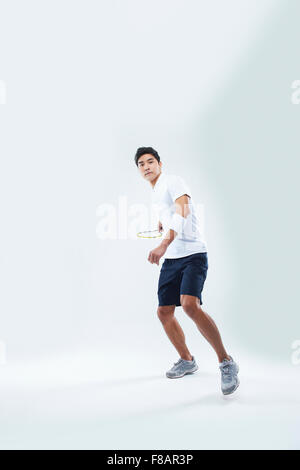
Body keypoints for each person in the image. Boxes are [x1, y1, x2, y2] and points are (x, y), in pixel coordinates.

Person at [134, 146, 239, 395]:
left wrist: (162, 243)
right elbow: (173, 214)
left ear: (160, 163)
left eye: (151, 161)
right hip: (172, 260)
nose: (147, 166)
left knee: (190, 305)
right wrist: (164, 222)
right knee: (164, 312)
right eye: (141, 164)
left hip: (193, 255)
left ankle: (226, 362)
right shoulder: (155, 192)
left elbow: (184, 209)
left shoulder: (173, 181)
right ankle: (187, 360)